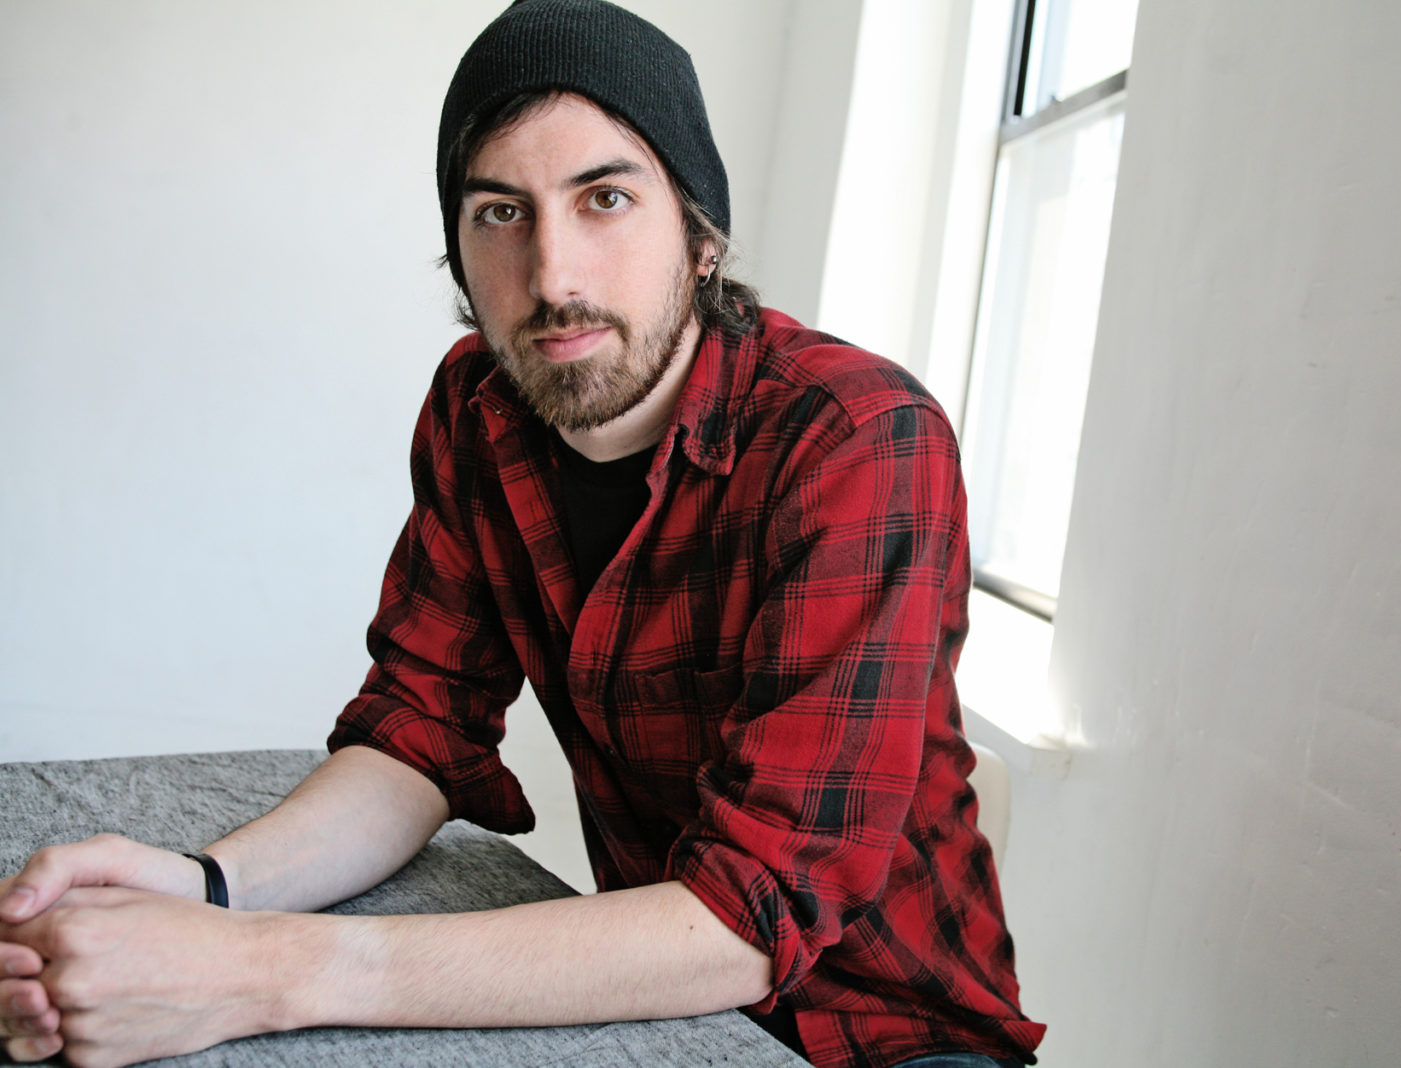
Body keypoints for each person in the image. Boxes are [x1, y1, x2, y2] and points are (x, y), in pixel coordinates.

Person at [0, 2, 1045, 1065]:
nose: (553, 278)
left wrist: (257, 971)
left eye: (606, 199)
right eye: (501, 212)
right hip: (659, 1009)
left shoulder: (856, 438)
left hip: (893, 1034)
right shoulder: (479, 408)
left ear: (700, 235)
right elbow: (418, 732)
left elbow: (749, 915)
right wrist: (203, 888)